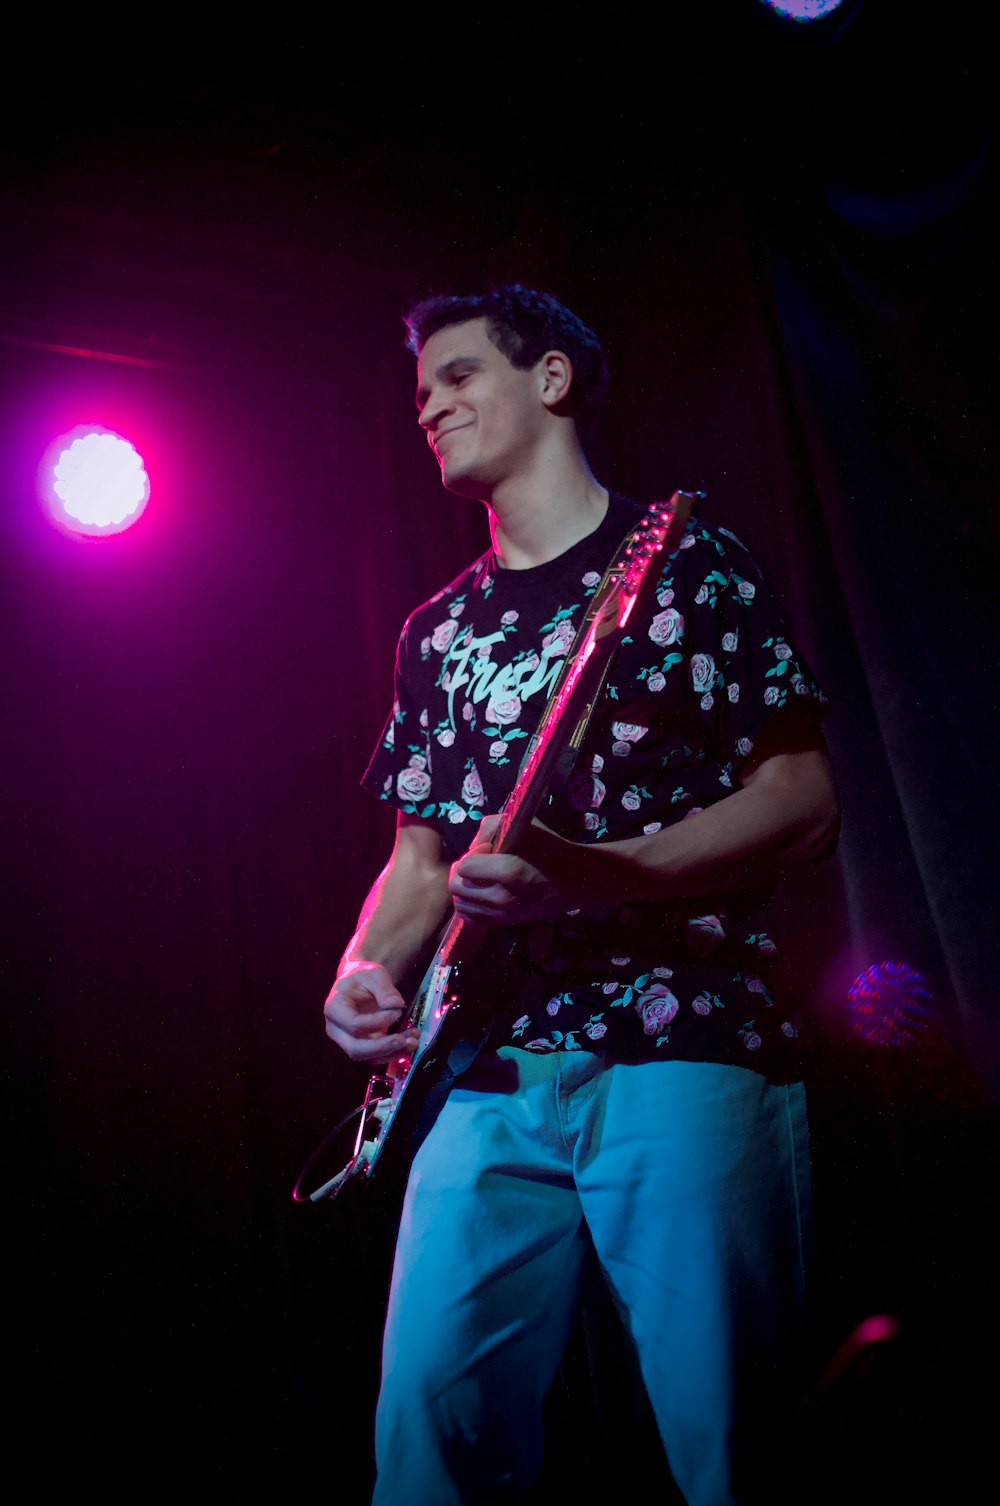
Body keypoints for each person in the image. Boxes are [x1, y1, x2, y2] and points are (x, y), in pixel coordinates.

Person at [323, 284, 839, 1505]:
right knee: (425, 1441)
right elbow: (419, 860)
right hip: (482, 1068)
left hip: (681, 1044)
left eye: (458, 377)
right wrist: (358, 973)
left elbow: (801, 801)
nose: (430, 407)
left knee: (731, 1438)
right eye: (420, 393)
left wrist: (595, 876)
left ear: (550, 380)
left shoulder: (684, 564)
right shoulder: (436, 632)